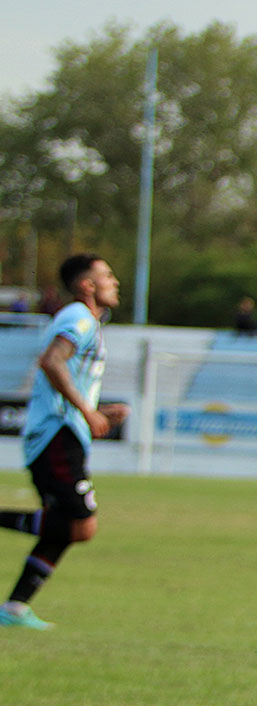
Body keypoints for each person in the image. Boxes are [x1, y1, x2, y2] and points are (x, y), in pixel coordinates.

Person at [0, 254, 127, 630]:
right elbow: (52, 362)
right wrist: (88, 412)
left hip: (63, 432)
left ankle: (15, 608)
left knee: (69, 527)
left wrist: (98, 409)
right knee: (79, 525)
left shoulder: (87, 322)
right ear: (87, 285)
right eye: (106, 275)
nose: (114, 281)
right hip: (57, 434)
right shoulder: (78, 317)